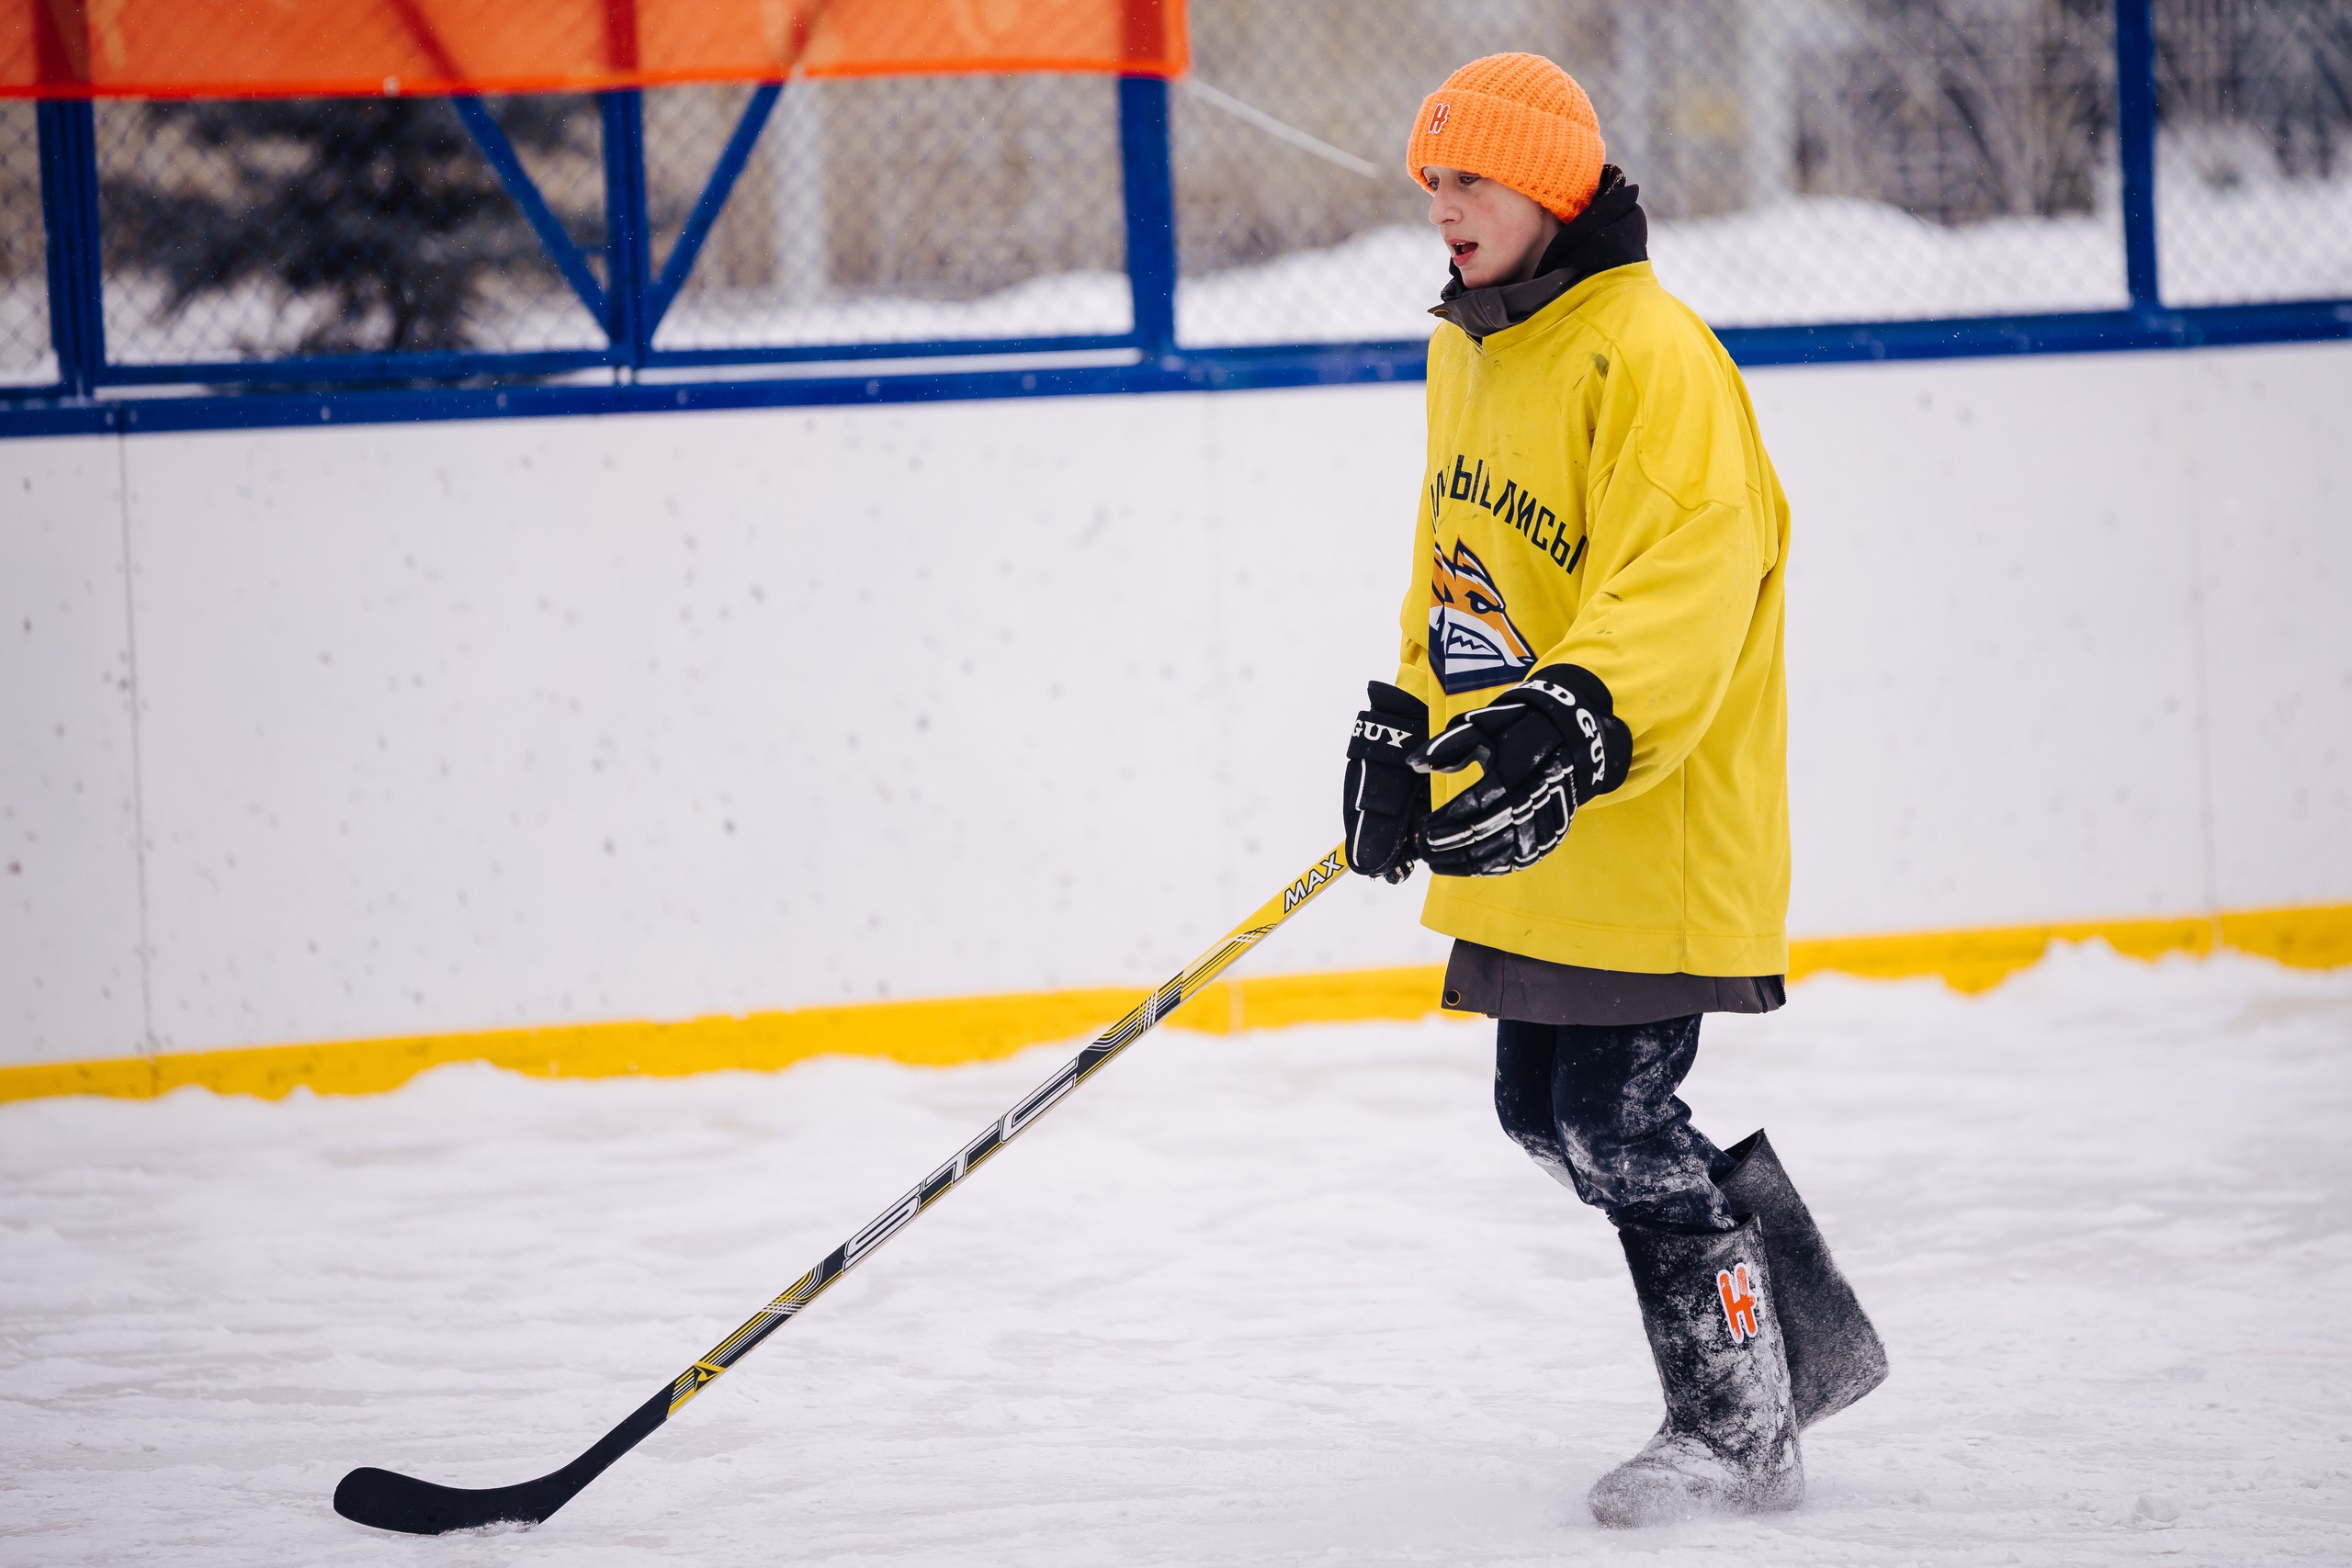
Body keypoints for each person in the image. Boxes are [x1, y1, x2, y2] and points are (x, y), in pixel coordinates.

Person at [1338, 53, 1888, 1529]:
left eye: (1471, 180)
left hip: (1655, 813)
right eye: (1429, 183)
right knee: (1541, 1113)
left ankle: (1737, 1426)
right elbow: (1457, 567)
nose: (1442, 208)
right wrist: (1408, 719)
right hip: (1543, 822)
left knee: (1619, 1122)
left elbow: (1696, 579)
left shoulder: (1651, 353)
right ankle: (1802, 1336)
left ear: (1554, 187)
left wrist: (1576, 717)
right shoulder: (1470, 348)